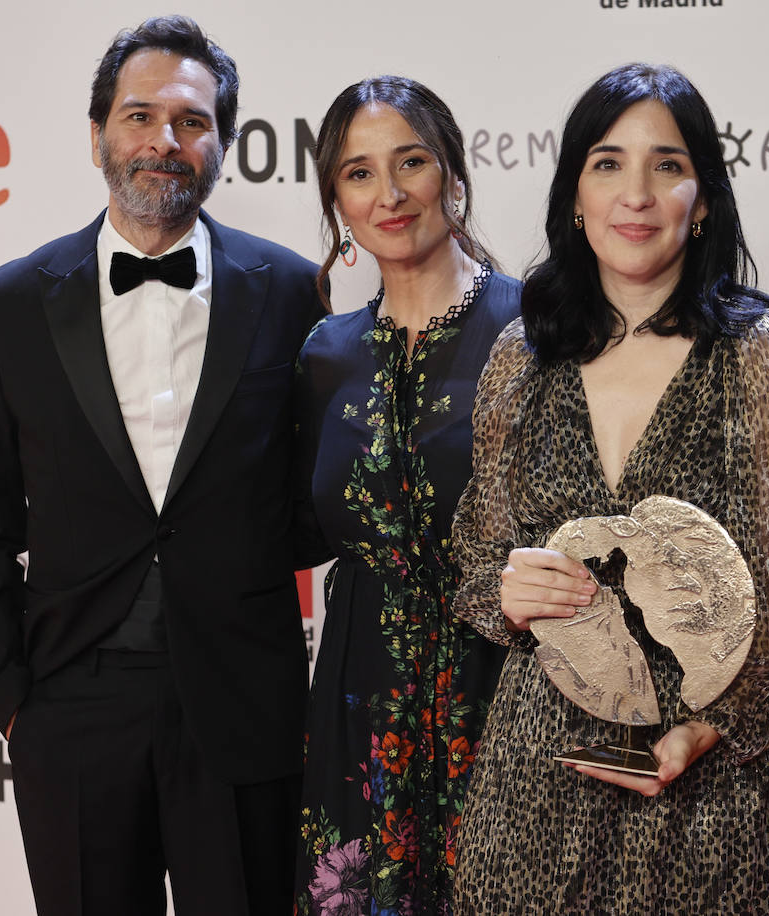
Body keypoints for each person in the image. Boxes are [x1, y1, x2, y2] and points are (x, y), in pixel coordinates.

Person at [0, 16, 324, 915]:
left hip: (243, 707)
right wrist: (13, 706)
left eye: (192, 121)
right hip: (71, 709)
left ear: (223, 143)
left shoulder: (293, 290)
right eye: (139, 115)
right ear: (97, 135)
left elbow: (314, 498)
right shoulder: (12, 302)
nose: (164, 140)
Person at [450, 64, 769, 914]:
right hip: (540, 775)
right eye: (608, 163)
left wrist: (710, 729)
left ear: (702, 201)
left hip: (717, 784)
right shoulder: (521, 354)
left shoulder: (762, 352)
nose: (637, 194)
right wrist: (509, 592)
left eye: (667, 165)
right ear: (575, 196)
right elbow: (477, 557)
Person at [293, 76, 520, 916]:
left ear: (453, 177)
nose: (388, 195)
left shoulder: (535, 332)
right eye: (358, 174)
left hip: (502, 688)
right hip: (360, 694)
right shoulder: (326, 355)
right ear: (337, 205)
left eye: (411, 163)